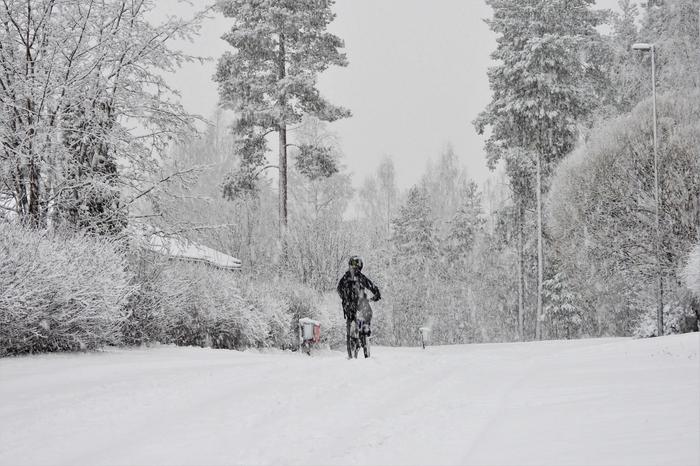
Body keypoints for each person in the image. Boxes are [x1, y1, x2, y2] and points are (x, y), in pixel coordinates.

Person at [337, 255, 381, 358]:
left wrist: (345, 298)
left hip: (348, 307)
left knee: (351, 321)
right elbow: (372, 287)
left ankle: (352, 346)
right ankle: (364, 333)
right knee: (367, 315)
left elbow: (339, 289)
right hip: (360, 305)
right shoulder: (361, 277)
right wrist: (377, 294)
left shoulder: (345, 277)